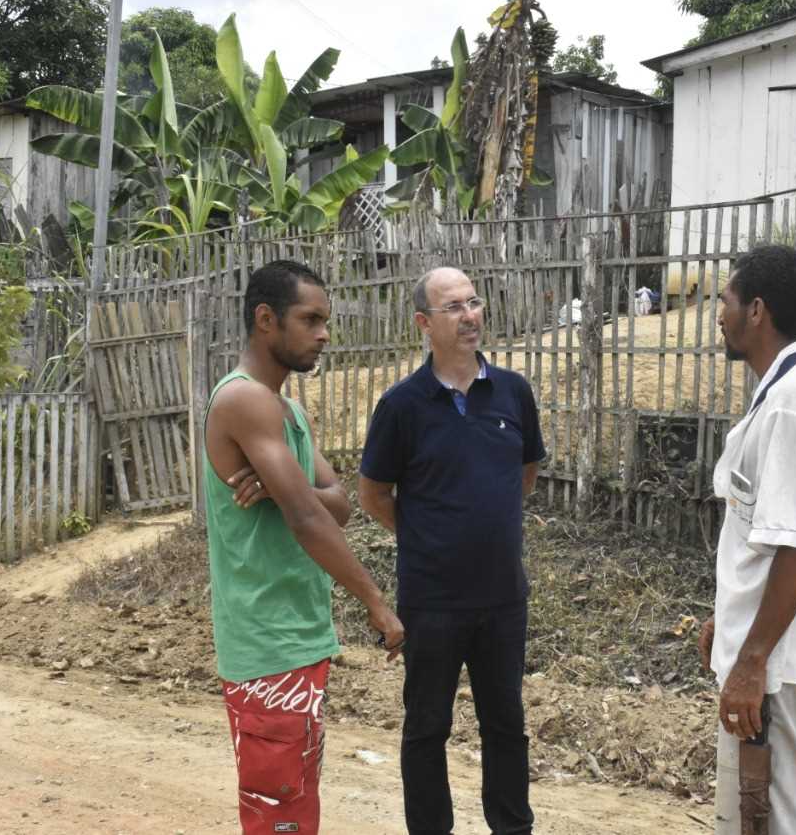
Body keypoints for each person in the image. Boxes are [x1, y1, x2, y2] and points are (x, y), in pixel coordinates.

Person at [203, 259, 404, 835]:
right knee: (279, 814)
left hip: (296, 635)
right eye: (310, 320)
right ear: (266, 320)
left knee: (294, 804)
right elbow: (309, 518)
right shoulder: (244, 401)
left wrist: (283, 485)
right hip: (265, 641)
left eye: (325, 321)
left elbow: (337, 503)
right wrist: (377, 604)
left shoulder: (287, 410)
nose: (325, 334)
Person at [358, 266, 545, 835]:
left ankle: (512, 828)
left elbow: (526, 474)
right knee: (426, 727)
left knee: (506, 725)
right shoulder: (401, 406)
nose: (470, 316)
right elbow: (372, 495)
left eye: (474, 302)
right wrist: (429, 536)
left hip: (503, 597)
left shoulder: (512, 392)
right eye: (454, 307)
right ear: (424, 323)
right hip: (432, 599)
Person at [698, 244, 796, 835]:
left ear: (756, 310)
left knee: (776, 823)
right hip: (771, 657)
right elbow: (765, 537)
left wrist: (752, 660)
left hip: (775, 671)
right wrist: (730, 620)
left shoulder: (791, 406)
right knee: (752, 822)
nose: (720, 315)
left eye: (726, 301)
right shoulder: (794, 394)